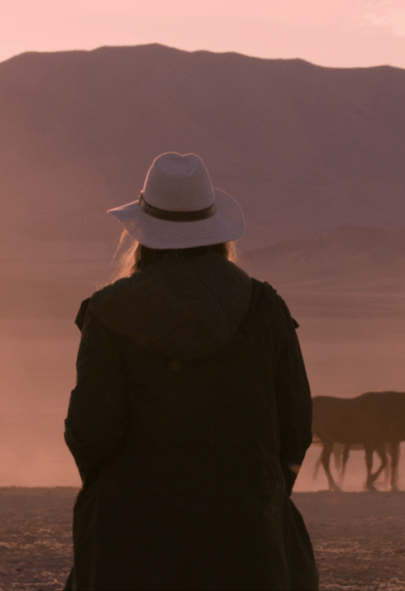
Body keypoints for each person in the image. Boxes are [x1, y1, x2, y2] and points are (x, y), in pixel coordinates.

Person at [64, 152, 317, 590]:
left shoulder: (108, 313)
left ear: (143, 235)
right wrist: (258, 496)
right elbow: (295, 427)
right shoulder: (265, 309)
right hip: (246, 543)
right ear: (215, 231)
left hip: (130, 544)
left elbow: (91, 433)